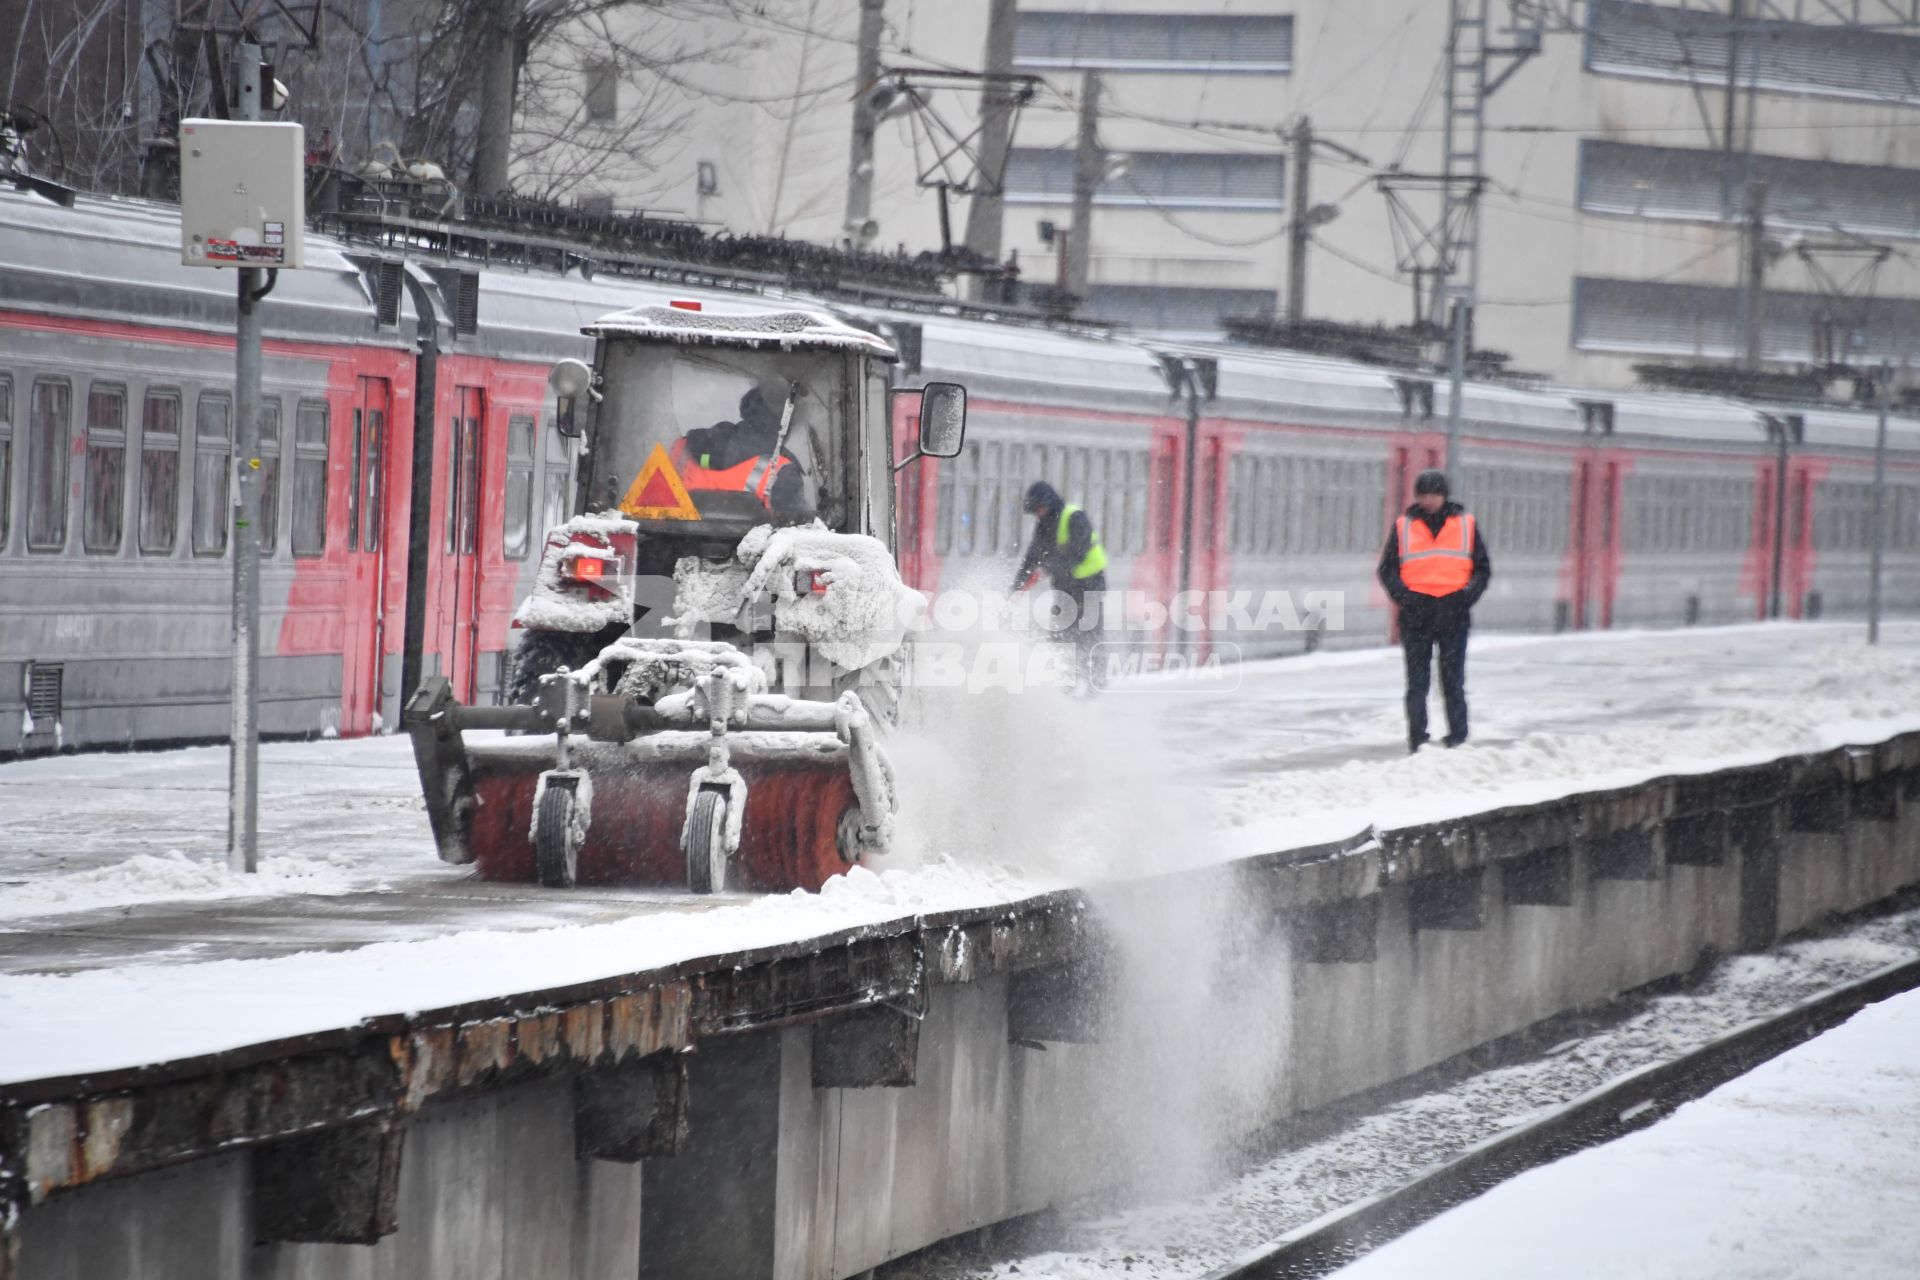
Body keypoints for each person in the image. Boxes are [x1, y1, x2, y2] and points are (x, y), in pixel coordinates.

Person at [1377, 469, 1492, 752]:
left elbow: (1482, 569)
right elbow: (1387, 569)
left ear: (1444, 496)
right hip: (1417, 615)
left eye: (1434, 494)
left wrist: (1465, 597)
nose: (1429, 500)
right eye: (1424, 495)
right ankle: (1418, 739)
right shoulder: (1404, 526)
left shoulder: (1465, 525)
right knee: (1417, 683)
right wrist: (1405, 597)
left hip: (1454, 614)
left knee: (1452, 680)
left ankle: (1458, 736)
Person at [1013, 480, 1108, 692]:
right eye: (1035, 510)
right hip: (1065, 589)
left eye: (1040, 508)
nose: (1038, 513)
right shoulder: (1043, 525)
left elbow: (1078, 550)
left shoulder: (1074, 516)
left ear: (1049, 503)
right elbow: (1032, 557)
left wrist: (1048, 568)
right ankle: (1065, 683)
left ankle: (1095, 682)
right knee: (1060, 637)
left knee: (1089, 636)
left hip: (1089, 586)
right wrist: (1016, 587)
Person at [669, 379, 811, 516]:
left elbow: (652, 508)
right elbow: (799, 529)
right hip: (751, 541)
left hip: (668, 540)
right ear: (786, 423)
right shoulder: (784, 472)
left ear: (747, 409)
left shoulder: (682, 449)